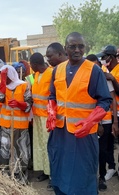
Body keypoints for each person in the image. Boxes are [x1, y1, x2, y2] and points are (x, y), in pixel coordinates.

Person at [46, 32, 112, 195]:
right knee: (59, 169)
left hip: (82, 135)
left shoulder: (93, 71)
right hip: (60, 133)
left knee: (82, 175)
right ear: (65, 48)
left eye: (80, 46)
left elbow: (105, 100)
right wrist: (51, 112)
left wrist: (91, 121)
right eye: (72, 46)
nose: (77, 50)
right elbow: (52, 96)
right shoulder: (58, 70)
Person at [86, 54, 118, 191]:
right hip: (90, 122)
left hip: (105, 121)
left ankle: (101, 177)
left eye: (96, 65)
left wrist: (115, 122)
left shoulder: (105, 78)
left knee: (102, 150)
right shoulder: (85, 80)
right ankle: (92, 177)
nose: (94, 68)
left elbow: (113, 101)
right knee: (91, 151)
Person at [0, 65, 32, 183]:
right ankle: (6, 177)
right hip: (6, 125)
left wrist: (18, 104)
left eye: (6, 77)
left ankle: (20, 177)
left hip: (20, 126)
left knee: (20, 151)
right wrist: (2, 80)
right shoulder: (2, 86)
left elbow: (29, 104)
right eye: (2, 77)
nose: (4, 80)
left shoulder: (23, 85)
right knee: (5, 151)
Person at [96, 45, 119, 181]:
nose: (103, 60)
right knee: (108, 144)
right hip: (110, 114)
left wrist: (112, 79)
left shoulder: (115, 71)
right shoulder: (106, 70)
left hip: (115, 113)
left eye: (104, 57)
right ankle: (112, 168)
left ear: (110, 57)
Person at [30, 52, 53, 183]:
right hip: (38, 116)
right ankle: (45, 170)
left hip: (47, 117)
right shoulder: (36, 75)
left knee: (48, 145)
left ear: (35, 64)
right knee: (40, 145)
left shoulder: (51, 73)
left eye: (31, 64)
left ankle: (52, 174)